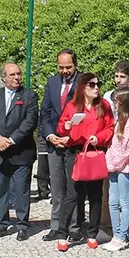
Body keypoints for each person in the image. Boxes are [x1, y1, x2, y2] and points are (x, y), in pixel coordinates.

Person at [55, 72, 114, 251]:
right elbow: (61, 127)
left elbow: (110, 127)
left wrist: (100, 138)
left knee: (96, 196)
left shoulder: (104, 105)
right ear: (83, 87)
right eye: (92, 85)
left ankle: (92, 233)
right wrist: (65, 128)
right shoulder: (73, 106)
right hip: (76, 154)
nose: (96, 87)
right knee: (72, 195)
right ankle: (62, 234)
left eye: (98, 84)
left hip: (95, 153)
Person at [0, 62, 39, 240]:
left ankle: (22, 224)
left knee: (21, 190)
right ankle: (1, 223)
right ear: (4, 77)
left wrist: (12, 140)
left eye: (18, 74)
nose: (16, 77)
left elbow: (29, 122)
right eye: (12, 75)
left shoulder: (29, 96)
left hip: (21, 151)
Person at [40, 50, 80, 242]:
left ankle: (73, 227)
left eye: (68, 67)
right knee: (56, 188)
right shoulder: (52, 82)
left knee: (73, 189)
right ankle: (56, 226)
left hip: (74, 144)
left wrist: (70, 137)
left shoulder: (83, 82)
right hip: (54, 143)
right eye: (61, 67)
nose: (64, 71)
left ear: (75, 65)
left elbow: (86, 114)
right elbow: (45, 113)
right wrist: (50, 135)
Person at [104, 88, 129, 251]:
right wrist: (109, 162)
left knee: (124, 201)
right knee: (112, 201)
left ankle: (122, 236)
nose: (114, 105)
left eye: (116, 102)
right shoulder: (117, 121)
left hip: (125, 168)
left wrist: (115, 163)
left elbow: (127, 149)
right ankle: (116, 234)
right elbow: (112, 146)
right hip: (113, 167)